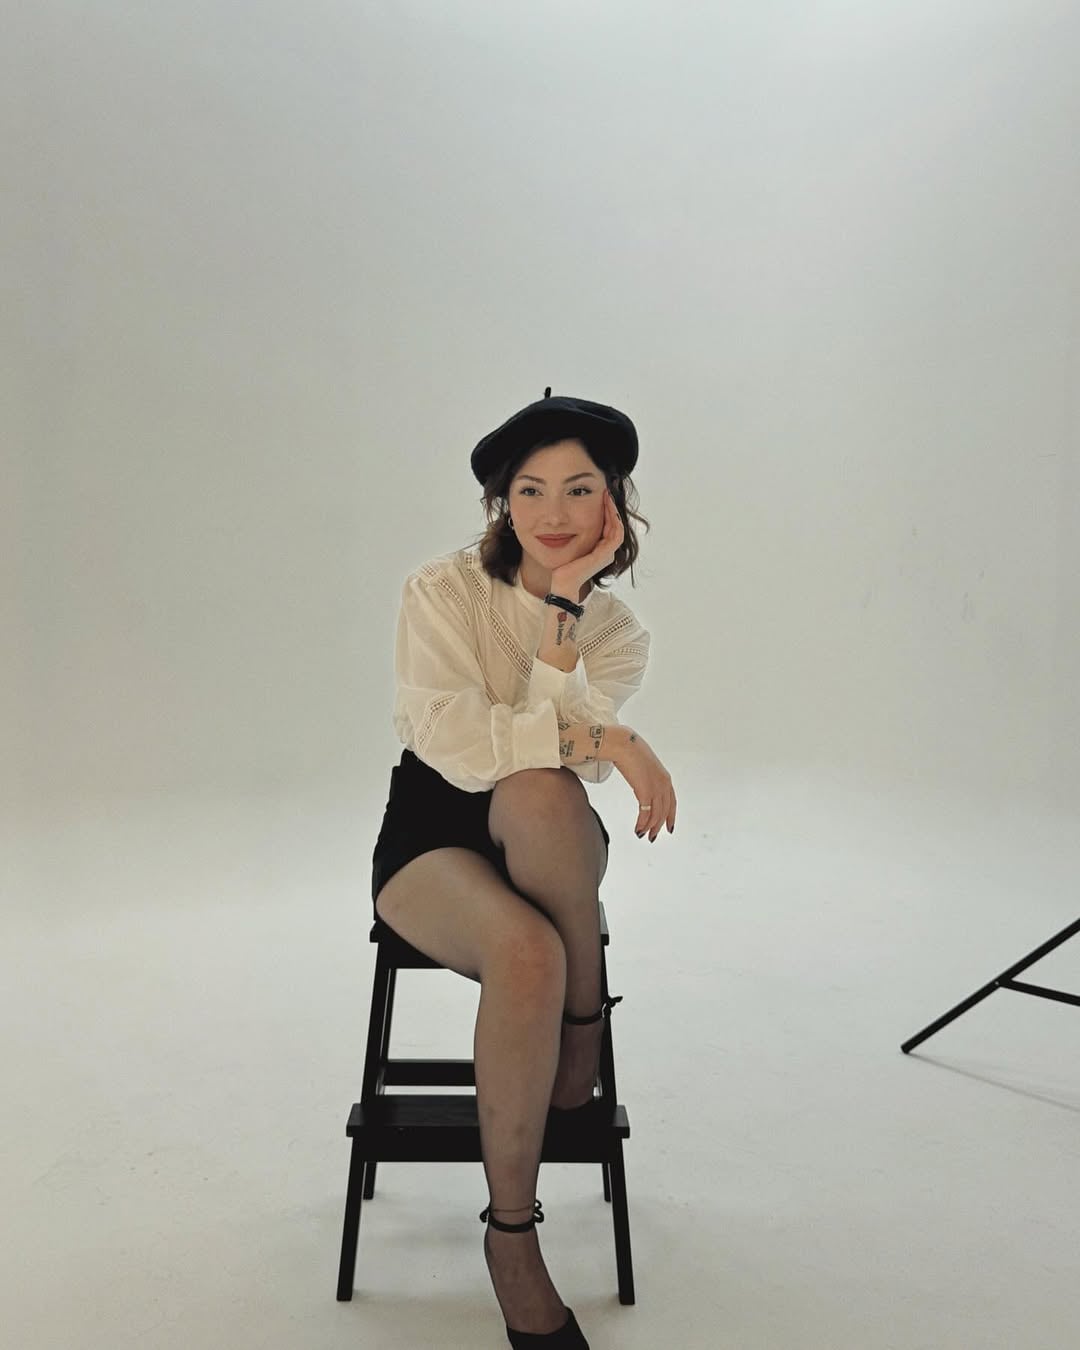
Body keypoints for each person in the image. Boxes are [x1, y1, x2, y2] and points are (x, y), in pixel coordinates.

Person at [371, 390, 677, 1349]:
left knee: (540, 795)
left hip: (547, 841)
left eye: (579, 488)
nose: (553, 512)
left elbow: (554, 765)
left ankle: (577, 1021)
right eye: (531, 489)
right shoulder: (441, 590)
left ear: (611, 501)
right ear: (502, 501)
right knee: (529, 949)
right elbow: (460, 747)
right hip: (432, 835)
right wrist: (613, 739)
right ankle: (513, 1235)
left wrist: (564, 611)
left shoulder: (617, 632)